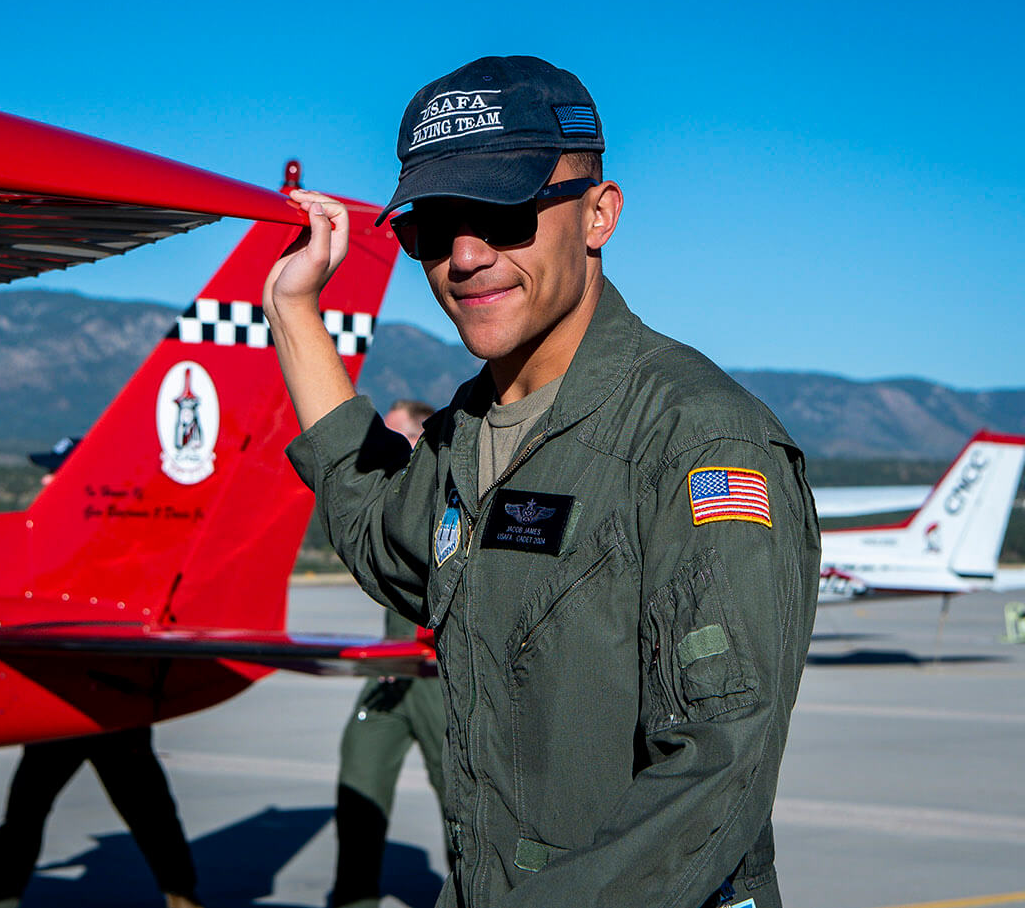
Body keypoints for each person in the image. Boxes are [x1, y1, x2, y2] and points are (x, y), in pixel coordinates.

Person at [263, 56, 819, 908]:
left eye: (507, 212)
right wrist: (295, 315)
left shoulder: (697, 437)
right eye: (434, 224)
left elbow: (718, 767)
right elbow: (380, 535)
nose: (466, 255)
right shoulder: (468, 432)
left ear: (599, 215)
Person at [332, 398, 448, 908]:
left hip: (439, 680)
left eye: (396, 438)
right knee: (358, 788)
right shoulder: (389, 504)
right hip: (389, 675)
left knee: (464, 808)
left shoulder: (448, 496)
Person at [0, 726, 203, 908]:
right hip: (83, 708)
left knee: (152, 813)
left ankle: (182, 896)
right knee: (24, 816)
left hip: (102, 707)